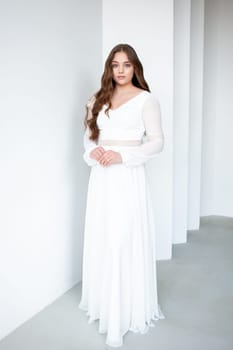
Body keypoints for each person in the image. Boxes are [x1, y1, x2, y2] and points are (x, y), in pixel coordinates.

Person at [78, 43, 165, 348]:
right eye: (115, 64)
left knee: (122, 237)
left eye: (126, 65)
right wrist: (96, 152)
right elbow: (88, 140)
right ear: (109, 68)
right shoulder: (97, 99)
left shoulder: (146, 100)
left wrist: (122, 157)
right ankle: (106, 306)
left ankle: (126, 310)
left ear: (135, 67)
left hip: (127, 177)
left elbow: (156, 143)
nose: (120, 70)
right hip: (101, 178)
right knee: (103, 237)